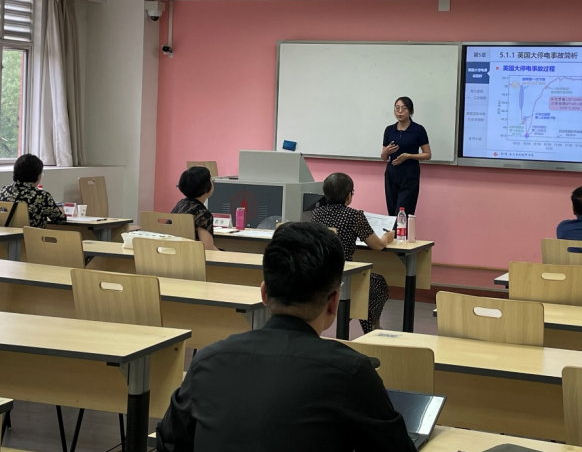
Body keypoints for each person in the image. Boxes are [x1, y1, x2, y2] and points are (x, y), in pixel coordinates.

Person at [156, 222, 416, 452]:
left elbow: (169, 441)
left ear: (264, 294)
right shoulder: (352, 372)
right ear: (333, 302)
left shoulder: (207, 361)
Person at [312, 173, 395, 333]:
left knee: (365, 284)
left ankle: (354, 319)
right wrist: (387, 237)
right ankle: (370, 328)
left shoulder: (316, 214)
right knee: (378, 283)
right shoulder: (354, 216)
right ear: (348, 196)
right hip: (345, 275)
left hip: (321, 274)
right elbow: (377, 246)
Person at [381, 96, 431, 216]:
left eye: (404, 108)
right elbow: (383, 157)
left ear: (410, 111)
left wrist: (408, 156)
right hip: (391, 174)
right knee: (392, 212)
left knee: (403, 212)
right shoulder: (389, 130)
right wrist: (386, 150)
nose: (400, 111)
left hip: (409, 174)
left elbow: (427, 154)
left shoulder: (418, 130)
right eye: (397, 108)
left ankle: (402, 230)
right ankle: (394, 230)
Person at [0, 154, 66, 229]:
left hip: (9, 234)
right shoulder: (42, 196)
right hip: (33, 235)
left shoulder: (5, 191)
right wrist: (61, 211)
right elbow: (60, 220)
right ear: (38, 175)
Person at [171, 166, 217, 250]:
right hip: (192, 255)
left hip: (174, 252)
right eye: (211, 180)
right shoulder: (203, 214)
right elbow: (207, 249)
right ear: (206, 187)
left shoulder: (181, 204)